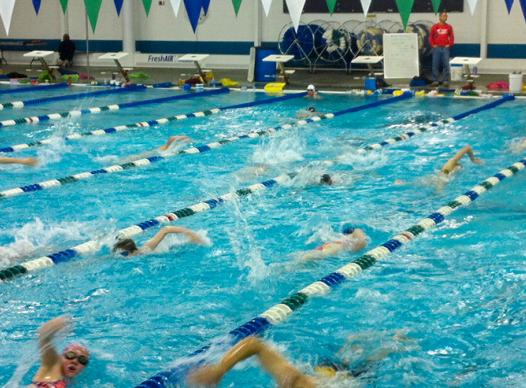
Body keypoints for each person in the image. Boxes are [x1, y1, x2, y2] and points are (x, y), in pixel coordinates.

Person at [188, 332, 412, 387]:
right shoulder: (294, 380)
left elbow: (255, 344)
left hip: (350, 381)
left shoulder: (297, 382)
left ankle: (394, 342)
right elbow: (254, 343)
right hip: (326, 372)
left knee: (370, 360)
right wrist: (219, 370)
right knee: (347, 359)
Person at [32, 316, 89, 387]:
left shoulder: (68, 380)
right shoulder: (52, 365)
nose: (75, 361)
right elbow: (44, 336)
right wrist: (63, 321)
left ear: (83, 367)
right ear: (61, 357)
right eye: (70, 355)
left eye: (82, 360)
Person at [113, 226, 207, 257]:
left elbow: (166, 229)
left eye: (123, 254)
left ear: (129, 252)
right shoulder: (144, 249)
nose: (121, 256)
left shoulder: (147, 248)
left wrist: (192, 234)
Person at [298, 224, 368, 261]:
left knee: (304, 257)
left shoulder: (337, 238)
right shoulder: (356, 231)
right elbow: (362, 242)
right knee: (308, 258)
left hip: (329, 246)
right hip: (335, 247)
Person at [429, 12, 454, 87]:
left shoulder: (449, 27)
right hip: (437, 48)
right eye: (443, 16)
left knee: (446, 64)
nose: (445, 17)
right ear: (439, 17)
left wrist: (449, 44)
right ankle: (435, 80)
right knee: (435, 64)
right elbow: (431, 37)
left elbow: (451, 37)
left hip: (445, 49)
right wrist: (433, 45)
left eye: (446, 16)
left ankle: (445, 80)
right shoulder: (434, 27)